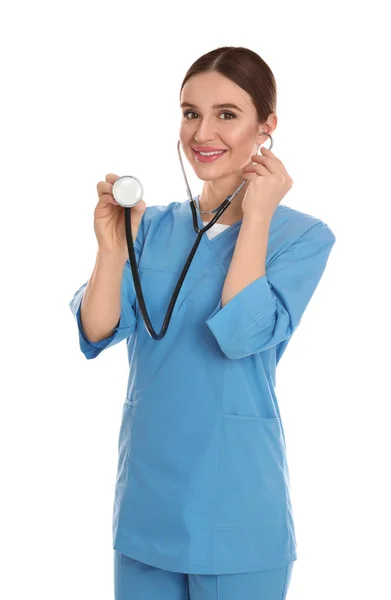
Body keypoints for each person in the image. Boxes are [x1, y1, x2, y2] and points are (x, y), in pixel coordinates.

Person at [69, 46, 336, 600]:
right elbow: (95, 332)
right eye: (191, 112)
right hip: (147, 509)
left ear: (267, 128)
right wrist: (112, 248)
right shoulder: (150, 225)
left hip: (238, 513)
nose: (202, 131)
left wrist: (256, 214)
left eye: (227, 114)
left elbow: (240, 335)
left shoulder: (303, 238)